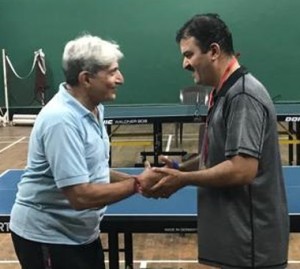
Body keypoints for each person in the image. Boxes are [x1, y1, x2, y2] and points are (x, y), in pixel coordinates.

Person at [138, 13, 289, 269]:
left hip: (250, 248)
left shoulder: (243, 95)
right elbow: (219, 155)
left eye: (189, 54)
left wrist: (182, 180)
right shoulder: (225, 92)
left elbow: (241, 169)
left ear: (214, 51)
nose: (184, 63)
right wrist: (177, 169)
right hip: (235, 243)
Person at [9, 34, 141, 269]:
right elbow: (80, 196)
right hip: (48, 239)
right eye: (112, 72)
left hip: (81, 235)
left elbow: (94, 168)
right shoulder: (61, 120)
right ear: (86, 79)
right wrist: (139, 186)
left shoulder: (94, 108)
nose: (120, 79)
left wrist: (136, 178)